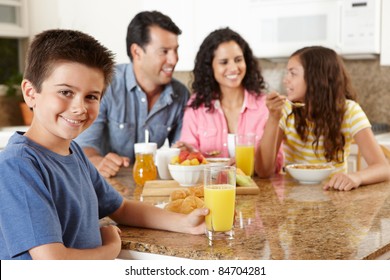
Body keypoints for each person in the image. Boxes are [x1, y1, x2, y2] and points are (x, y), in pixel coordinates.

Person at [0, 29, 207, 260]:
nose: (80, 107)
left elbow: (122, 208)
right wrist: (110, 248)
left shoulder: (74, 153)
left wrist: (184, 223)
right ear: (30, 93)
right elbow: (52, 262)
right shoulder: (18, 165)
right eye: (66, 92)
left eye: (91, 96)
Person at [75, 11, 190, 178]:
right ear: (137, 52)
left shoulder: (180, 95)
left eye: (175, 50)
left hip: (150, 183)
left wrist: (184, 151)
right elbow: (83, 145)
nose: (174, 59)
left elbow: (179, 152)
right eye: (164, 51)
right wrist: (97, 161)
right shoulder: (105, 85)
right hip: (107, 182)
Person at [259, 46, 390, 191]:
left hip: (334, 196)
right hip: (293, 200)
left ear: (315, 78)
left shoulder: (349, 111)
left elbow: (383, 168)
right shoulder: (285, 111)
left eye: (293, 73)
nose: (285, 80)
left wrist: (356, 177)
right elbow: (264, 171)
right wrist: (273, 118)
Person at [174, 27, 284, 177]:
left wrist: (274, 117)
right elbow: (191, 158)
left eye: (238, 60)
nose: (233, 68)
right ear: (210, 67)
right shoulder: (196, 106)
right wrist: (187, 151)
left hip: (258, 193)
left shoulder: (265, 106)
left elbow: (268, 170)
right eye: (224, 62)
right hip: (212, 190)